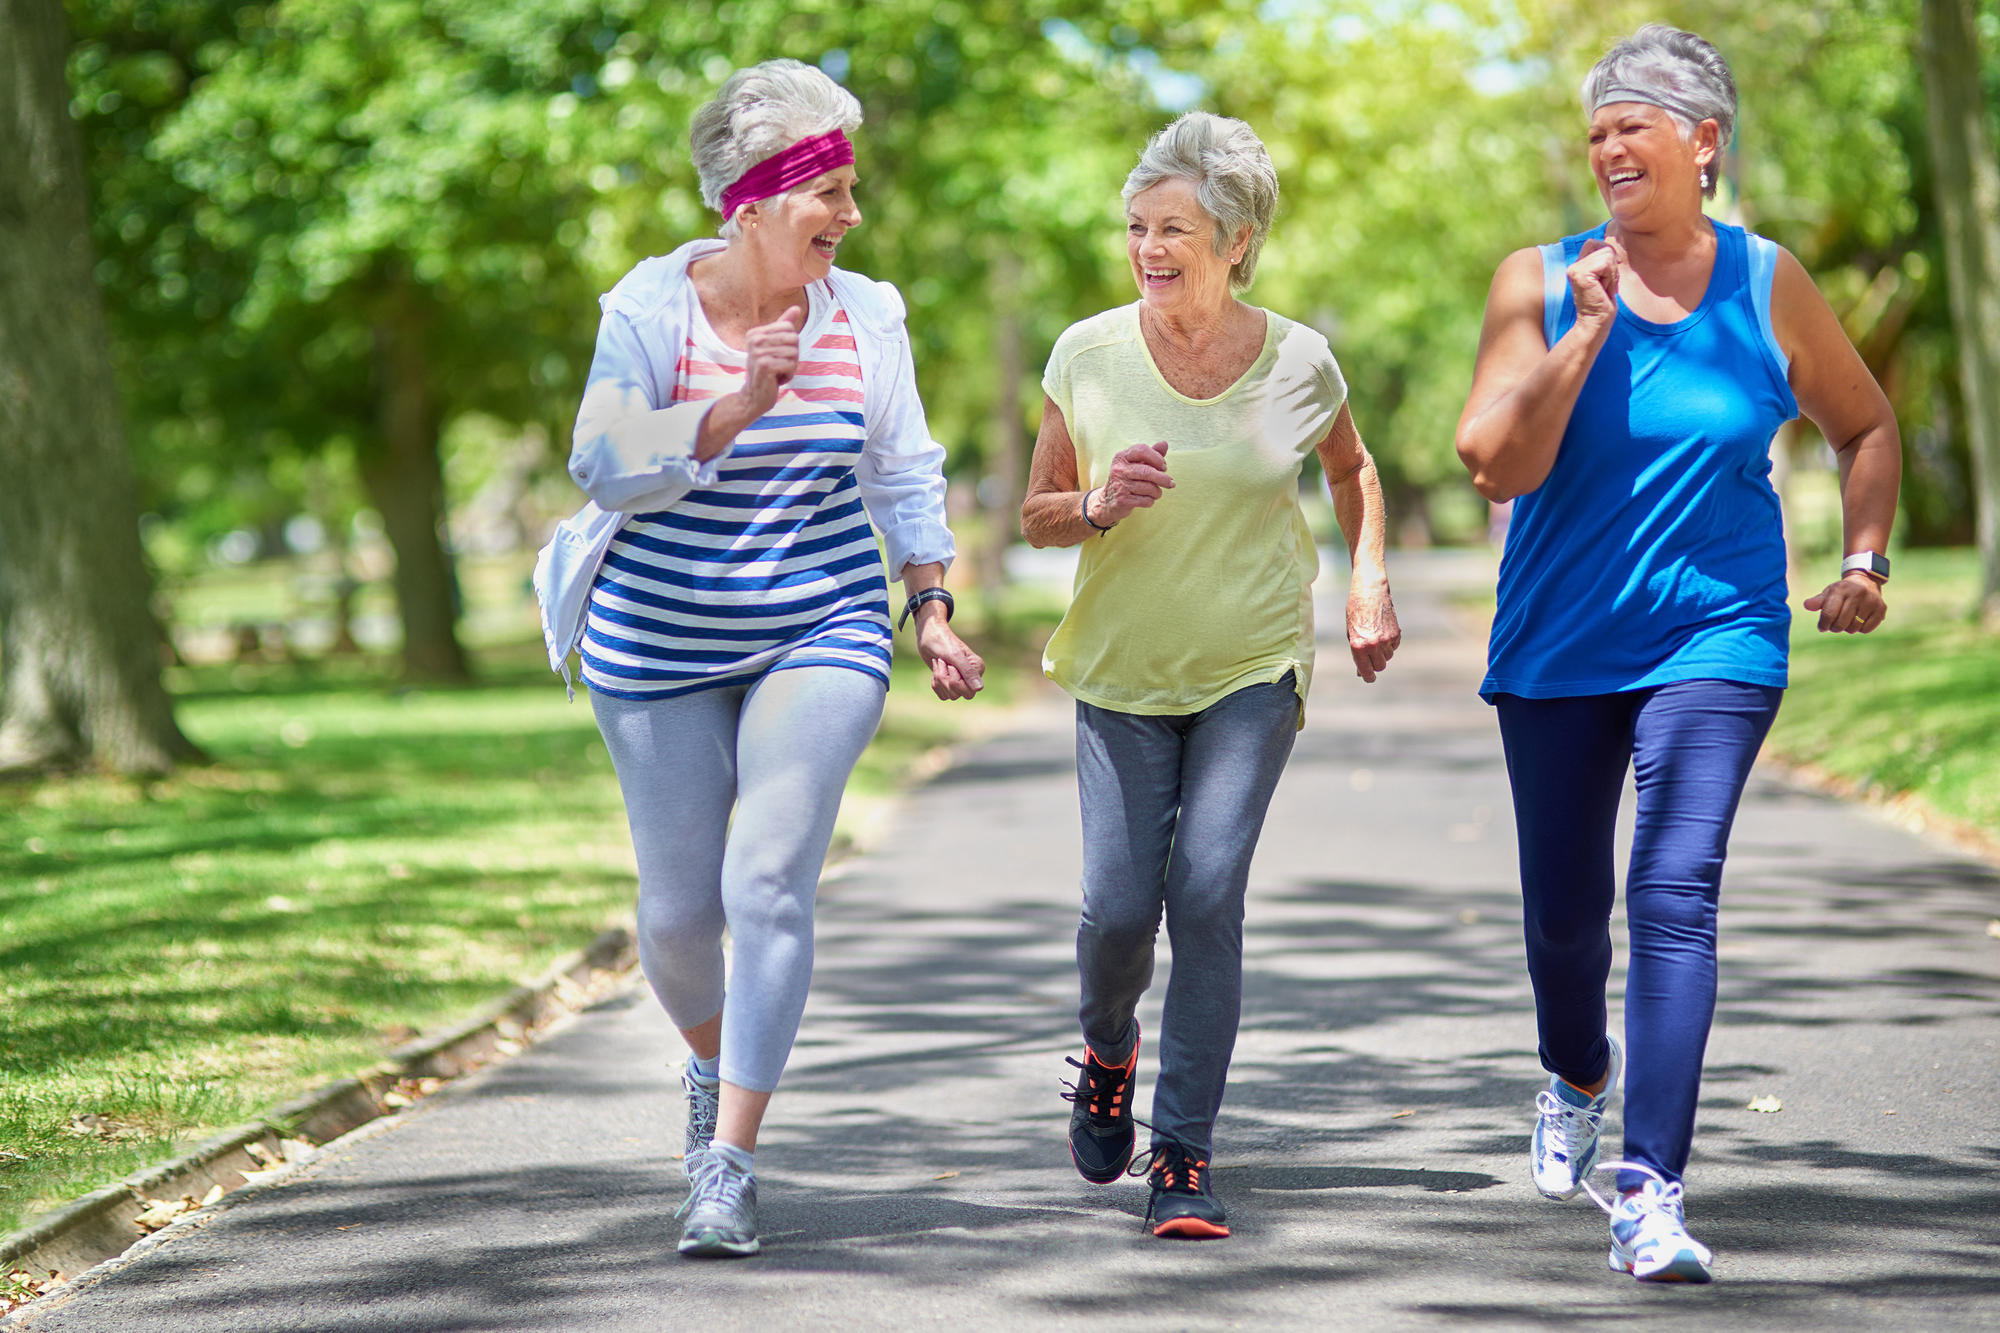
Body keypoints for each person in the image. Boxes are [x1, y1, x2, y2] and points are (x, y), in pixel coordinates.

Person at [1455, 24, 1900, 1283]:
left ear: (1702, 144)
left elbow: (1862, 426)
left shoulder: (1765, 283)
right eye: (1593, 131)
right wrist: (1582, 334)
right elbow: (1490, 460)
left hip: (1718, 633)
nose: (1605, 148)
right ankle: (1574, 1070)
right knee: (1563, 920)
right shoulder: (1534, 280)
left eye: (1630, 125)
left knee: (1671, 892)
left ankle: (1646, 1188)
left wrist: (1861, 560)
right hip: (1556, 642)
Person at [533, 58, 983, 1259]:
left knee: (766, 879)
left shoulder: (866, 314)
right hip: (657, 635)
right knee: (678, 914)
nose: (847, 213)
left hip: (817, 621)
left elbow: (900, 469)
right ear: (748, 200)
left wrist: (927, 603)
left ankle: (727, 1161)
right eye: (823, 191)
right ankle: (707, 1065)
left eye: (848, 188)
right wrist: (733, 403)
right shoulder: (648, 308)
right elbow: (601, 459)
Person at [1021, 111, 1400, 1240]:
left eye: (1171, 226)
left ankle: (1179, 1155)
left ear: (1235, 240)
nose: (1147, 245)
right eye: (1136, 225)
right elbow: (1037, 515)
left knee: (1205, 892)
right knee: (1114, 911)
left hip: (1248, 663)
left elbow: (1350, 470)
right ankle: (1106, 1050)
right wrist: (1093, 503)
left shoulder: (1290, 365)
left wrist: (1365, 580)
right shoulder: (1089, 357)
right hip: (1120, 670)